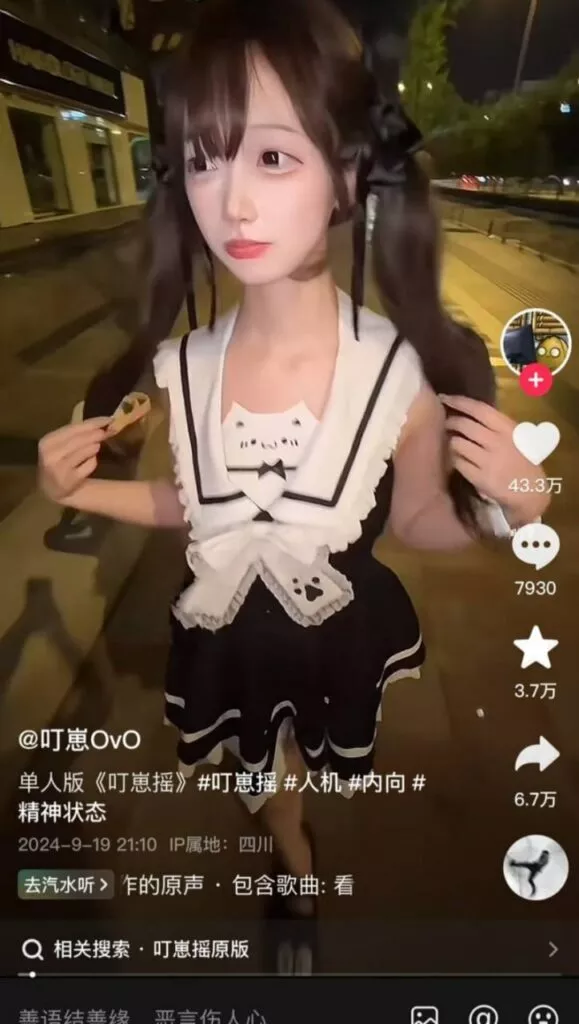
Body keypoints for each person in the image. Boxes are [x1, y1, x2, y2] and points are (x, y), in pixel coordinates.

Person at [37, 0, 549, 966]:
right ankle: (291, 856)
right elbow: (203, 512)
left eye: (271, 157)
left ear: (347, 176)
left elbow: (419, 519)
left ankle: (293, 847)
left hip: (334, 634)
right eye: (202, 159)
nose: (230, 202)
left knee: (300, 750)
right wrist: (82, 493)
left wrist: (512, 510)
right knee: (258, 763)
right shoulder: (185, 367)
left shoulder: (395, 376)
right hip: (224, 635)